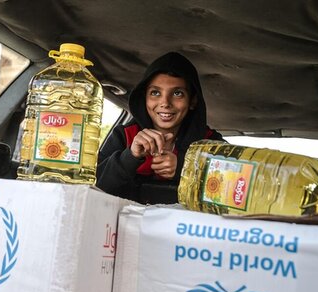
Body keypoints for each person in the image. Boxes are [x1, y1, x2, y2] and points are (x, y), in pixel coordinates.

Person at [96, 51, 224, 204]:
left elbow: (236, 187)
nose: (165, 103)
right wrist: (130, 157)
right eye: (155, 93)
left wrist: (185, 168)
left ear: (193, 101)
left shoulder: (210, 142)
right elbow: (91, 188)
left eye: (177, 93)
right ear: (145, 98)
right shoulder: (125, 136)